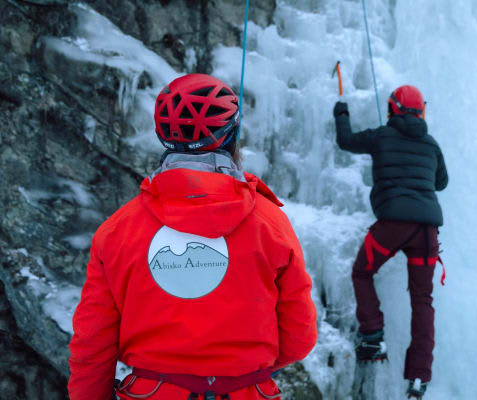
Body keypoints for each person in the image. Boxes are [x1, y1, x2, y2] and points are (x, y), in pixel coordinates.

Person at [68, 74, 318, 400]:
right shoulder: (270, 224)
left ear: (163, 137)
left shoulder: (118, 230)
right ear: (231, 135)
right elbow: (300, 335)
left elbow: (92, 343)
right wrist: (246, 369)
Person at [333, 85, 448, 399]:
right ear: (421, 112)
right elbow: (441, 182)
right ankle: (418, 378)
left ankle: (373, 334)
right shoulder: (431, 143)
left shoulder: (382, 135)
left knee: (362, 272)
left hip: (393, 225)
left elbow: (346, 141)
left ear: (392, 109)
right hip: (427, 232)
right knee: (422, 301)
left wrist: (341, 113)